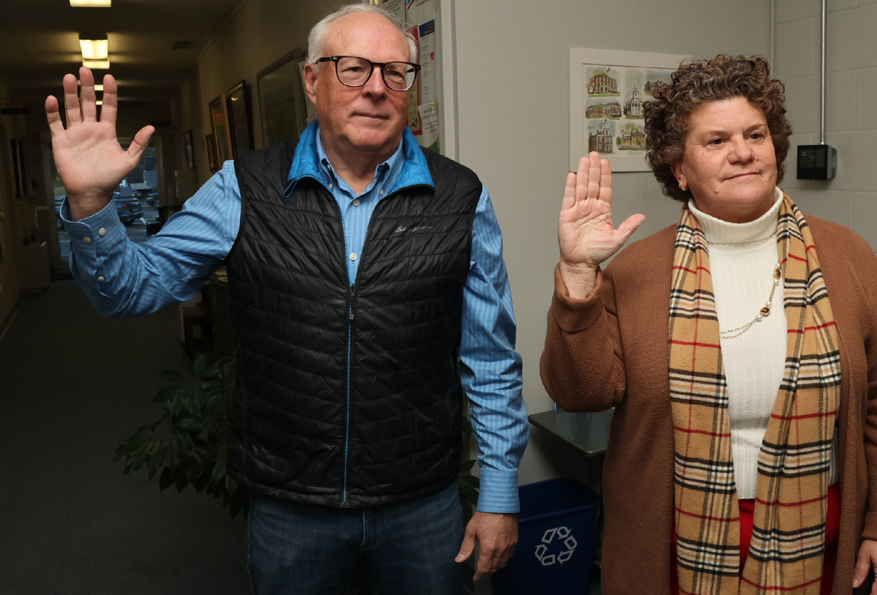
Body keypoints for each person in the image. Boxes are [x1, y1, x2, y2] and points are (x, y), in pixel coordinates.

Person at [45, 5, 528, 594]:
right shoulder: (243, 187)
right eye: (353, 69)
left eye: (395, 72)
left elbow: (491, 360)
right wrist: (93, 206)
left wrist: (500, 493)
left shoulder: (461, 197)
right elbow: (128, 289)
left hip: (421, 503)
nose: (376, 88)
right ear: (311, 80)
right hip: (291, 505)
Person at [541, 55, 877, 595]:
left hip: (819, 537)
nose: (742, 152)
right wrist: (581, 274)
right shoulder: (635, 271)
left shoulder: (848, 256)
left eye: (755, 134)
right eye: (716, 141)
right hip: (672, 544)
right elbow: (581, 394)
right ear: (679, 169)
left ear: (775, 147)